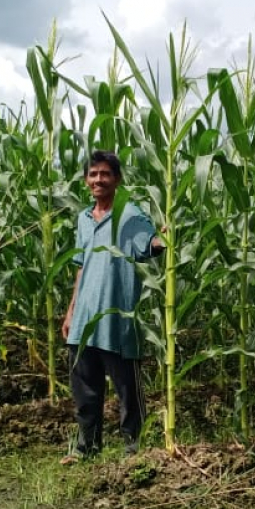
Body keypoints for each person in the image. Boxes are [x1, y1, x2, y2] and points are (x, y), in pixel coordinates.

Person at [60, 150, 165, 464]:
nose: (98, 180)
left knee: (127, 390)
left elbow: (148, 244)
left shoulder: (128, 214)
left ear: (117, 179)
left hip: (117, 317)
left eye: (105, 174)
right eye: (93, 174)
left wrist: (164, 240)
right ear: (85, 180)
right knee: (84, 389)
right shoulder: (82, 219)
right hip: (83, 318)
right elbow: (81, 266)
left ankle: (134, 450)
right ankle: (86, 449)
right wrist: (71, 310)